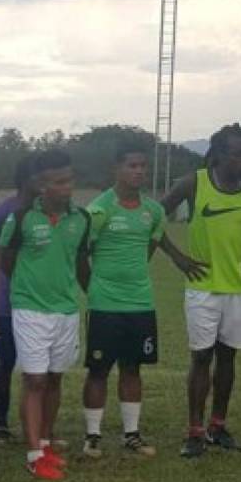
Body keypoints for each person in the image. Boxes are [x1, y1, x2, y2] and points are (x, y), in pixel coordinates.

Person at [159, 124, 241, 457]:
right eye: (239, 153)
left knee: (228, 357)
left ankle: (218, 426)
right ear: (218, 155)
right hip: (202, 287)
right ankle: (195, 432)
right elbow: (152, 218)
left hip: (240, 287)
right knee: (201, 357)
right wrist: (178, 257)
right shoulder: (193, 184)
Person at [80, 145, 188, 458]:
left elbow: (148, 251)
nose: (139, 171)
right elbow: (80, 255)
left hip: (140, 304)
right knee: (98, 370)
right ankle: (93, 436)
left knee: (133, 368)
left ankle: (131, 434)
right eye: (132, 165)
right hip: (104, 306)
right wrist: (96, 290)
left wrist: (132, 283)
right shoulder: (99, 209)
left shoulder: (153, 211)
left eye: (143, 166)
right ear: (117, 168)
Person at [0, 149, 90, 481]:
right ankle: (34, 453)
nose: (67, 188)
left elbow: (80, 263)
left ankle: (47, 442)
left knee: (54, 377)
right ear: (41, 185)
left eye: (70, 180)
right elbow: (5, 260)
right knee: (34, 379)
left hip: (65, 309)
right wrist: (27, 288)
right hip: (30, 309)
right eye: (58, 182)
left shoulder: (81, 219)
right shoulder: (21, 218)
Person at [0, 156, 37, 446]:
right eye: (37, 178)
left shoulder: (47, 212)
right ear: (24, 180)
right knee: (5, 363)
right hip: (7, 302)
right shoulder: (3, 212)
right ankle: (0, 422)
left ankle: (40, 426)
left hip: (40, 302)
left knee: (40, 368)